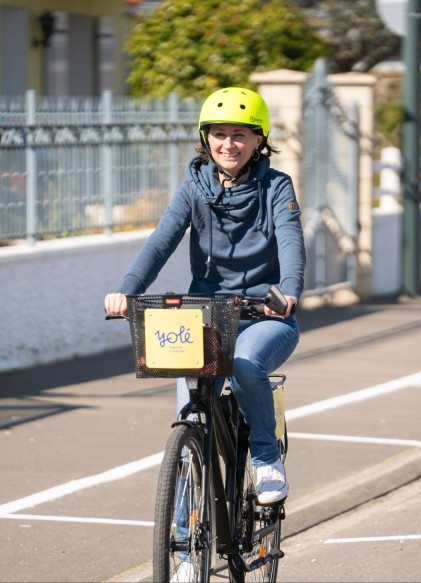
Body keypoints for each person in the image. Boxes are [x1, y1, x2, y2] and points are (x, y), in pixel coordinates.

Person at [104, 87, 305, 506]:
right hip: (207, 317)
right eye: (219, 134)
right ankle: (182, 533)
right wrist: (127, 289)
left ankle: (266, 457)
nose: (228, 144)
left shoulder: (276, 187)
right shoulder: (193, 188)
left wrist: (288, 292)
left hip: (265, 316)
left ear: (258, 140)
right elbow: (161, 242)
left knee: (244, 364)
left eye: (240, 134)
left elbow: (290, 241)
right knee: (189, 418)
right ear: (206, 138)